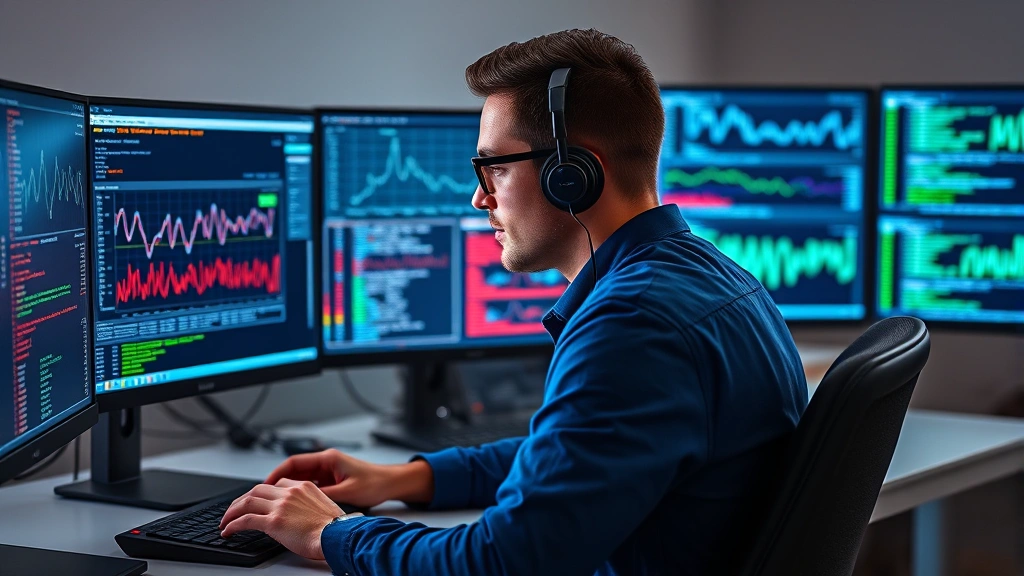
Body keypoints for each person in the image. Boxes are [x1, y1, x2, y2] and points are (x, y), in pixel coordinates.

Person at [219, 28, 809, 576]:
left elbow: (504, 562)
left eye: (494, 168)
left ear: (573, 174)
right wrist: (404, 478)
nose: (480, 199)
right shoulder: (714, 278)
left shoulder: (631, 325)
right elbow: (581, 458)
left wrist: (333, 535)